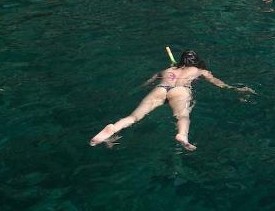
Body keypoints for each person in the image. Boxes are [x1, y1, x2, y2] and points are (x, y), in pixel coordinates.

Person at [89, 49, 254, 151]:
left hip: (160, 89)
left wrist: (134, 91)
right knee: (182, 116)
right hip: (181, 91)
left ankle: (113, 128)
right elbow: (219, 84)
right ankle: (182, 136)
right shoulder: (199, 70)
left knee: (133, 117)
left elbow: (146, 84)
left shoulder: (166, 69)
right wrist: (235, 89)